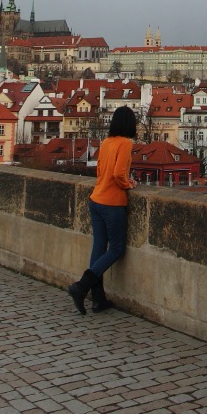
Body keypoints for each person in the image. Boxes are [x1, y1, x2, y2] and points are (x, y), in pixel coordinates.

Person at [67, 105, 137, 314]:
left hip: (96, 199)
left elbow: (100, 170)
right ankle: (81, 286)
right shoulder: (126, 143)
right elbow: (118, 174)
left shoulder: (106, 142)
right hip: (112, 203)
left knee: (98, 248)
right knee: (116, 249)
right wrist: (128, 184)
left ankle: (98, 299)